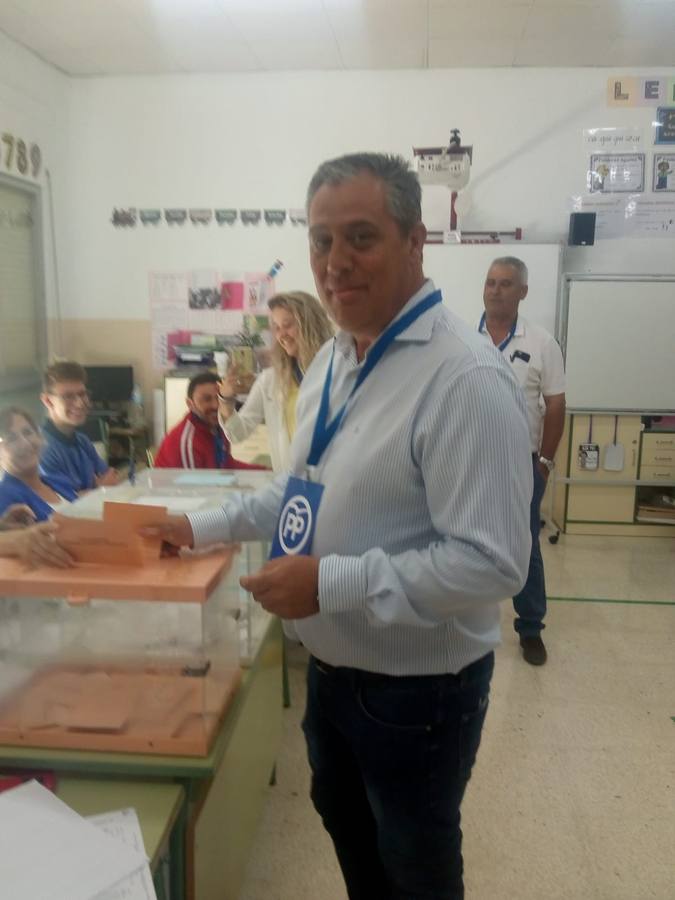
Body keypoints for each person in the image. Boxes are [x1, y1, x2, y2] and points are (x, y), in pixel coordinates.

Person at [144, 152, 532, 900]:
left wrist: (328, 581)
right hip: (333, 673)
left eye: (361, 237)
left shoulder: (465, 380)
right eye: (321, 241)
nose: (335, 262)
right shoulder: (335, 362)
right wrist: (191, 529)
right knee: (353, 840)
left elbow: (491, 564)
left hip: (418, 694)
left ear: (415, 242)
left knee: (413, 862)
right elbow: (296, 496)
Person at [480, 257, 566, 666]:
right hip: (472, 462)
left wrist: (545, 463)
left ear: (523, 292)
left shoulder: (542, 343)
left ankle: (530, 627)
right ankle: (468, 619)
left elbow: (555, 405)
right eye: (491, 282)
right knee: (465, 536)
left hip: (522, 464)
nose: (496, 290)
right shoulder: (464, 337)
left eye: (506, 284)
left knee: (524, 543)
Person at [218, 291, 334, 472]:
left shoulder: (339, 371)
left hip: (333, 480)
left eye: (287, 325)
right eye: (277, 328)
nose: (282, 335)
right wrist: (226, 399)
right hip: (293, 485)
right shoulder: (270, 380)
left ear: (311, 325)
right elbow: (237, 433)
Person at [154, 371, 266, 470]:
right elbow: (193, 491)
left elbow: (226, 465)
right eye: (206, 399)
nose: (216, 405)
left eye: (218, 397)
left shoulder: (218, 426)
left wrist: (267, 471)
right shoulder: (188, 442)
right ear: (190, 404)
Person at [40, 360, 119, 492]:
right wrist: (99, 489)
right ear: (48, 401)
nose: (80, 403)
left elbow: (109, 477)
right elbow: (59, 503)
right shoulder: (39, 449)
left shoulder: (82, 441)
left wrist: (93, 490)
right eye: (68, 396)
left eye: (82, 394)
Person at [0, 407, 78, 521]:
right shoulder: (3, 497)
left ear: (39, 437)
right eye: (11, 439)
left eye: (28, 432)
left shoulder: (59, 481)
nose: (25, 443)